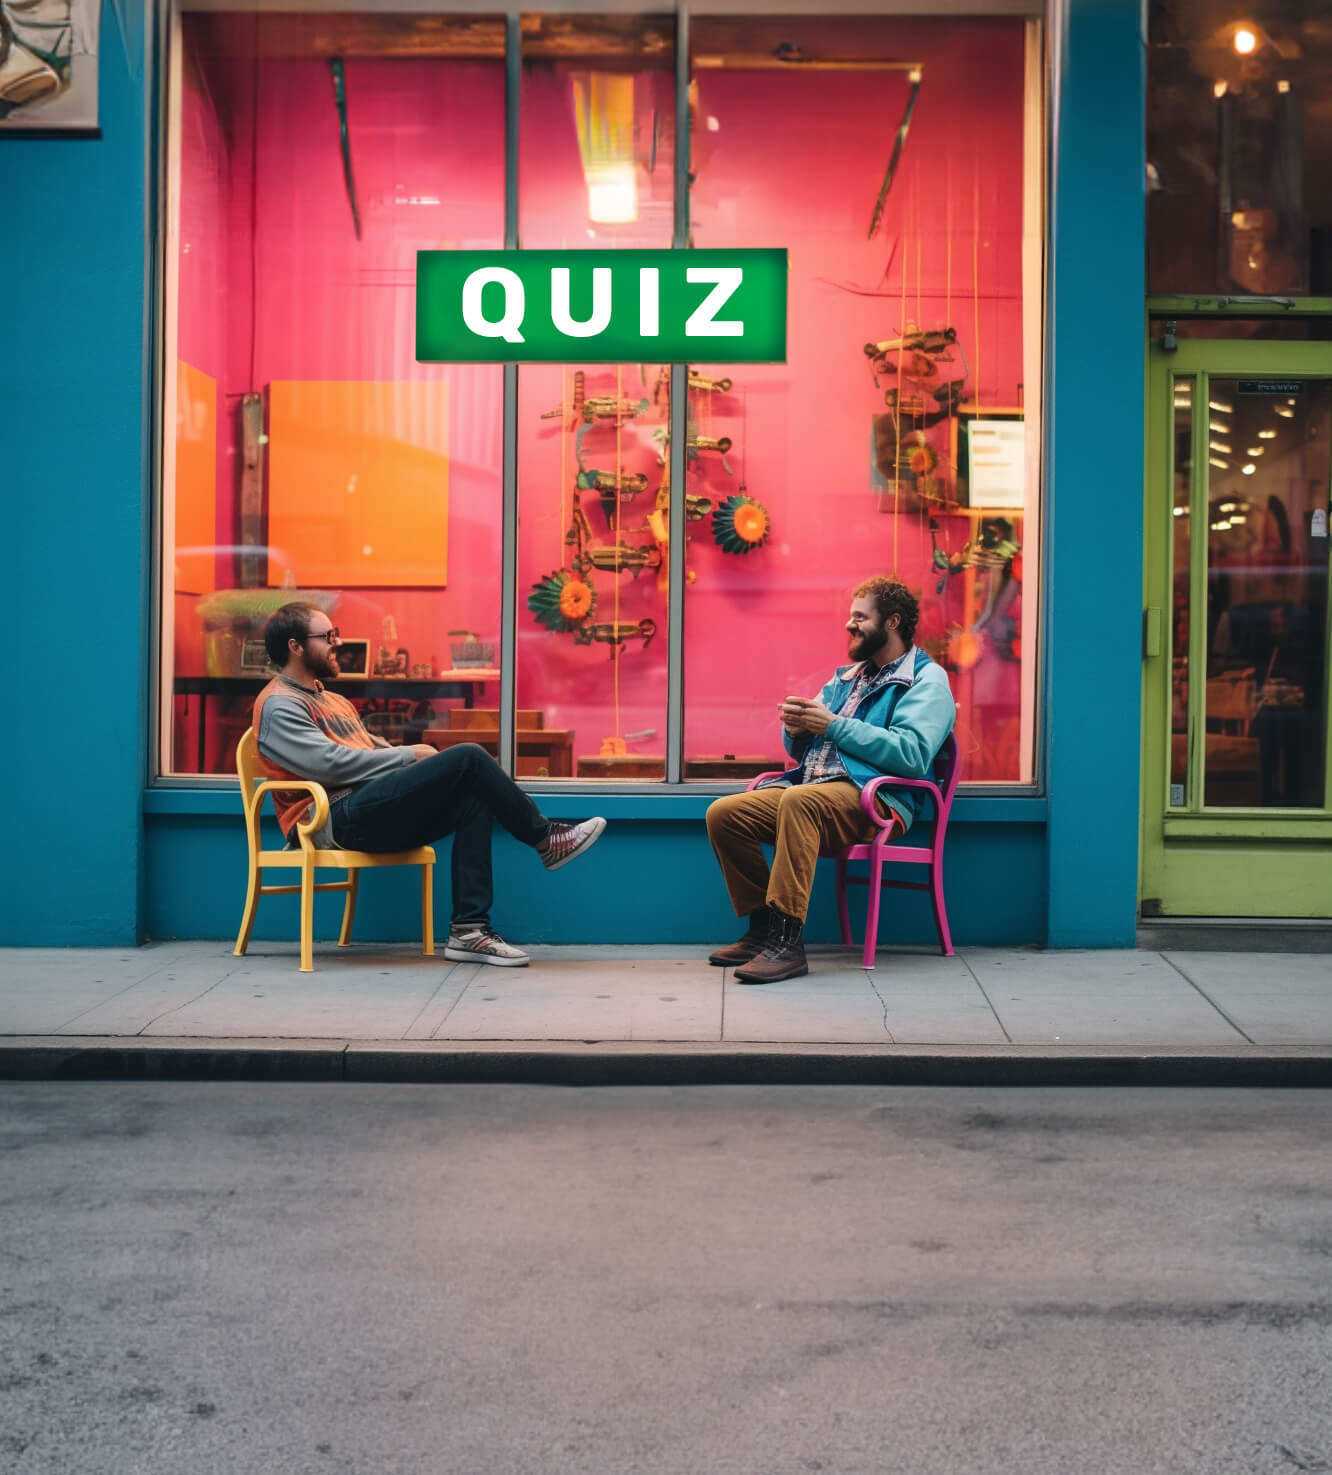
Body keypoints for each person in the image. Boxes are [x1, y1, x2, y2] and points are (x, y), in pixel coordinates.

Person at [252, 603, 605, 967]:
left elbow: (372, 747)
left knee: (473, 797)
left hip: (366, 810)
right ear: (296, 647)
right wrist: (408, 757)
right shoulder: (279, 705)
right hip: (329, 820)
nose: (337, 642)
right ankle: (545, 839)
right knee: (468, 755)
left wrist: (416, 760)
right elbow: (329, 765)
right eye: (327, 637)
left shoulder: (333, 700)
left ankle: (469, 931)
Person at [704, 577, 955, 984]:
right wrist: (798, 727)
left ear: (892, 622)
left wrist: (834, 725)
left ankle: (787, 945)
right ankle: (764, 929)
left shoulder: (927, 681)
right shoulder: (847, 679)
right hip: (816, 791)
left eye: (860, 617)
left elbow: (912, 755)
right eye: (850, 616)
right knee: (725, 814)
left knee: (798, 802)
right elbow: (802, 751)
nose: (848, 625)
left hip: (876, 800)